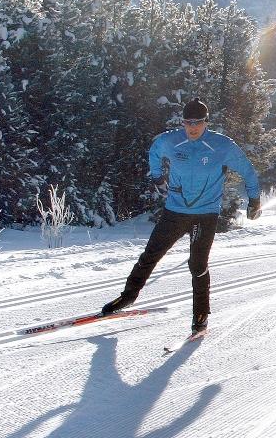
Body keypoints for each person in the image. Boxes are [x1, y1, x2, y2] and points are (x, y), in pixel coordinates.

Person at [102, 98, 260, 336]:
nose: (192, 127)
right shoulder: (171, 141)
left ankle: (201, 315)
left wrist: (255, 200)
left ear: (206, 122)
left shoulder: (222, 146)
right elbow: (154, 151)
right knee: (150, 255)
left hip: (205, 214)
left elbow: (248, 171)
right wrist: (158, 178)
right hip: (175, 211)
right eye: (188, 122)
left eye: (198, 122)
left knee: (197, 264)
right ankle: (128, 297)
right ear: (183, 122)